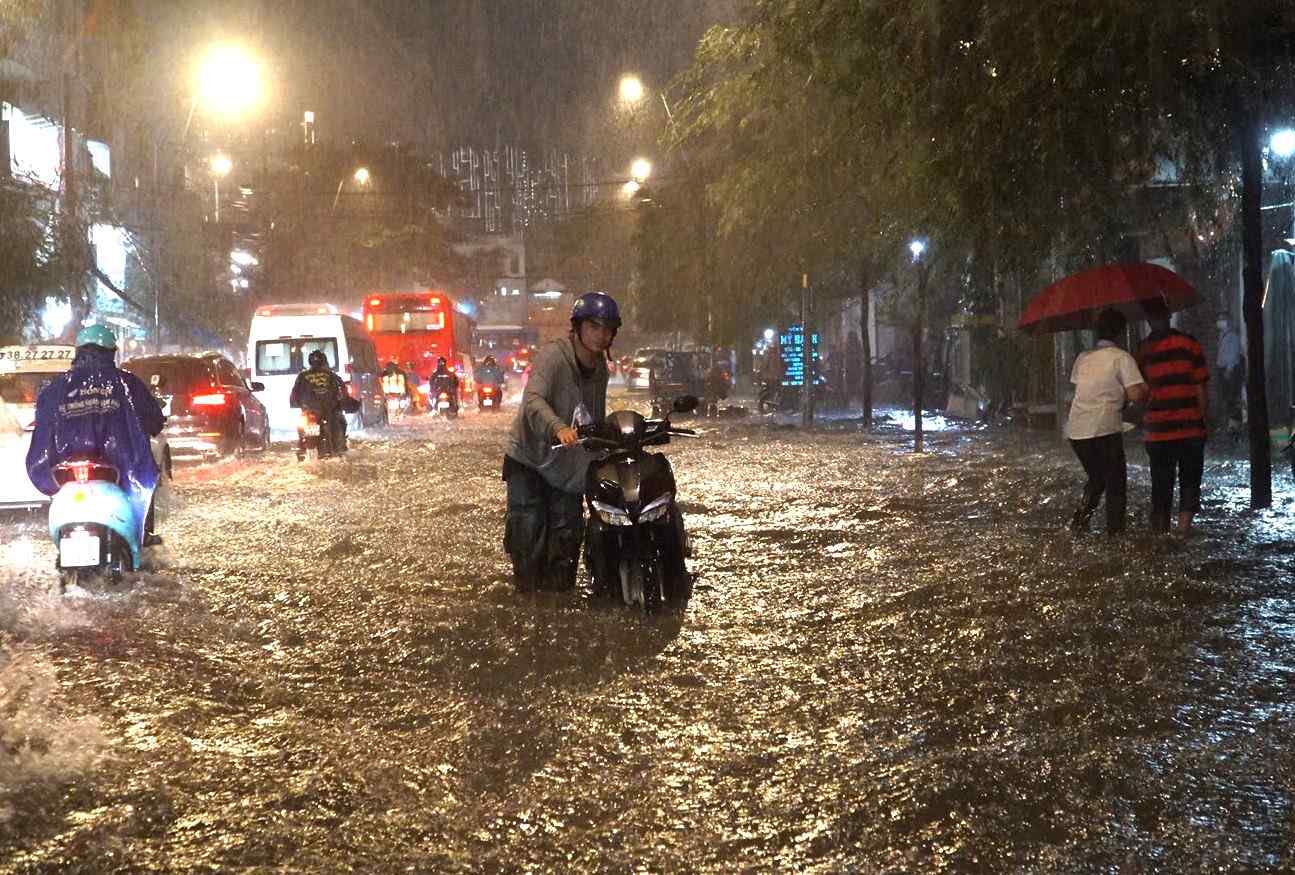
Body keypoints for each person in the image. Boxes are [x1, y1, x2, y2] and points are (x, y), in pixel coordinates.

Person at [503, 291, 616, 592]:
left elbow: (595, 418)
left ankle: (557, 602)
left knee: (567, 537)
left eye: (607, 329)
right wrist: (557, 427)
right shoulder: (553, 356)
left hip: (565, 464)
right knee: (528, 537)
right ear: (578, 328)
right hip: (529, 457)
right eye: (594, 327)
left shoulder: (601, 370)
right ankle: (528, 600)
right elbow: (533, 399)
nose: (600, 335)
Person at [26, 324, 166, 542]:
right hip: (122, 465)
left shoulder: (55, 388)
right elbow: (154, 420)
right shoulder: (128, 383)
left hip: (67, 468)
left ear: (79, 351)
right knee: (148, 482)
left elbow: (43, 434)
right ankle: (143, 536)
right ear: (111, 352)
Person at [1065, 308, 1148, 534]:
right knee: (1115, 485)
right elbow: (1136, 395)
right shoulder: (1122, 358)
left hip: (1077, 432)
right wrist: (1145, 386)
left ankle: (1079, 522)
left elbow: (1079, 390)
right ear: (1121, 332)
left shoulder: (1083, 358)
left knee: (1097, 478)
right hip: (1105, 429)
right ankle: (1115, 535)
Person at [1136, 297, 1210, 534]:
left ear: (1148, 320)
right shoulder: (1189, 344)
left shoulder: (1141, 351)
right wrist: (1204, 420)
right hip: (1190, 427)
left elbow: (1140, 391)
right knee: (1190, 480)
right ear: (1169, 315)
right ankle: (1183, 533)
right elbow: (1200, 386)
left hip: (1157, 431)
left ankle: (1161, 537)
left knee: (1161, 484)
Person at [290, 348, 348, 452]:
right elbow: (341, 389)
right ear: (323, 361)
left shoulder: (302, 375)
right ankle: (339, 448)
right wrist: (343, 401)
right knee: (340, 424)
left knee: (302, 434)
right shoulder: (331, 375)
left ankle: (303, 447)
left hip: (310, 411)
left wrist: (298, 404)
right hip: (329, 410)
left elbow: (294, 393)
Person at [1215, 315, 1244, 430]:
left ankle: (1235, 424)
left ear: (1228, 321)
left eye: (1222, 319)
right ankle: (1230, 423)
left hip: (1230, 370)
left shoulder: (1232, 336)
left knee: (1232, 396)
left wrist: (1229, 369)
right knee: (1227, 397)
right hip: (1223, 370)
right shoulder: (1222, 335)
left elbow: (1234, 354)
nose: (1219, 322)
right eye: (1219, 319)